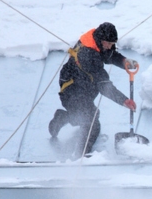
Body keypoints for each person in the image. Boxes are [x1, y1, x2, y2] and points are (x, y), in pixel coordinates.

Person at [48, 22, 138, 157]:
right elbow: (104, 85)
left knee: (86, 116)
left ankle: (65, 117)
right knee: (92, 123)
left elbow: (109, 54)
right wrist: (124, 101)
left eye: (112, 44)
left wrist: (124, 61)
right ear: (101, 40)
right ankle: (82, 155)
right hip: (71, 90)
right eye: (108, 43)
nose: (110, 46)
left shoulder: (97, 43)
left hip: (84, 86)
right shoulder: (88, 54)